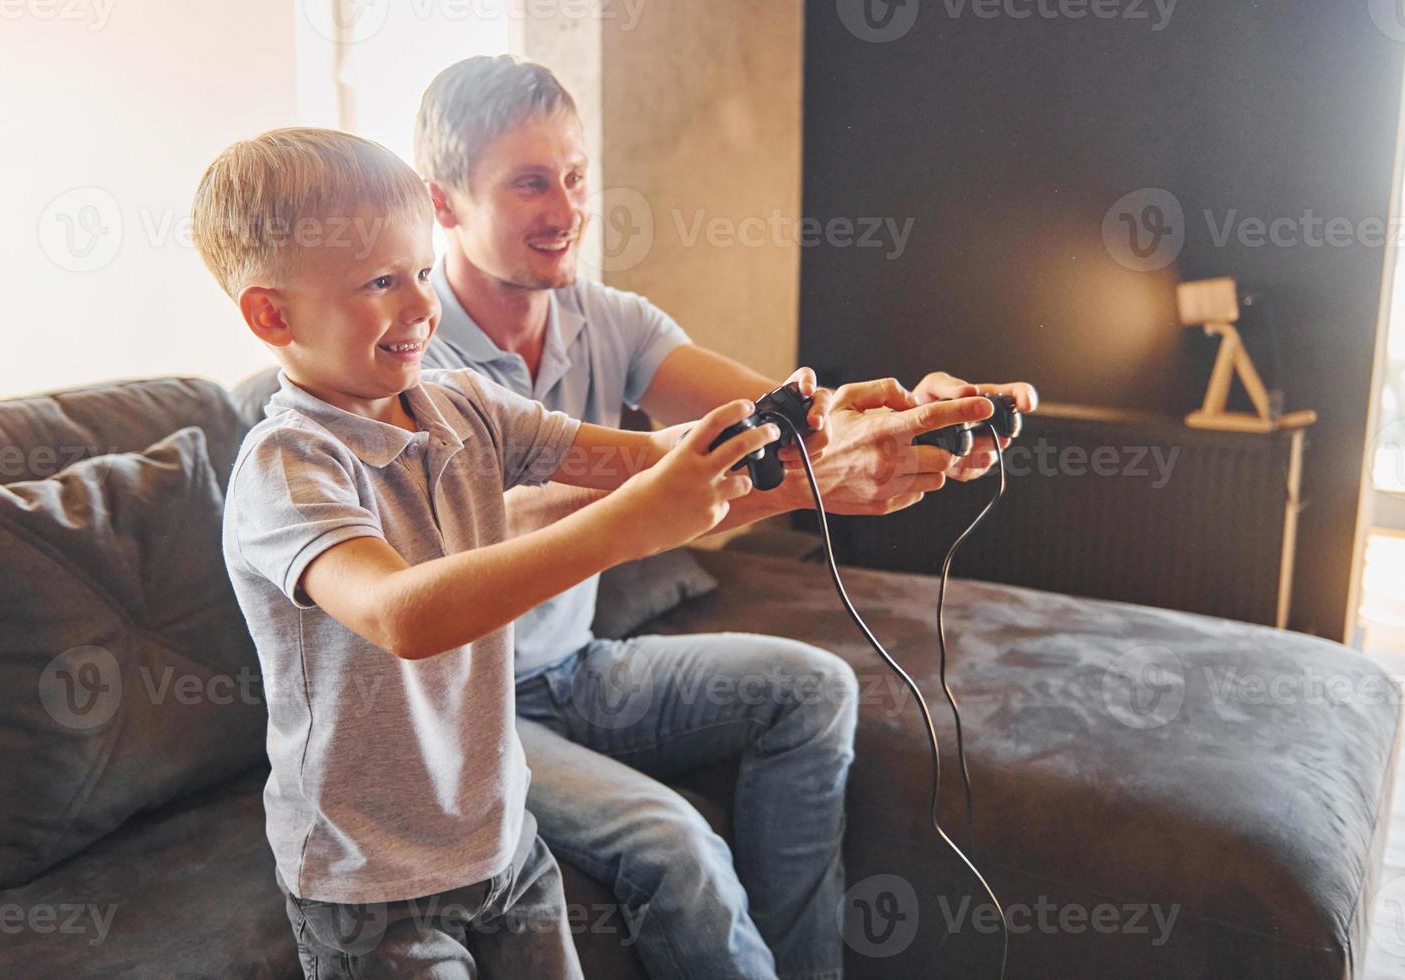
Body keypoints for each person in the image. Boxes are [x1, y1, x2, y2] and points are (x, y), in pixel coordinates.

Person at [414, 55, 1037, 980]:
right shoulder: (405, 357)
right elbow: (490, 525)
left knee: (814, 688)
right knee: (675, 844)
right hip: (465, 709)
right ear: (447, 203)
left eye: (577, 175)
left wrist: (908, 411)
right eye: (531, 183)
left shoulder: (606, 320)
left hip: (575, 667)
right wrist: (673, 486)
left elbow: (780, 414)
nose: (567, 207)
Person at [192, 126, 825, 977]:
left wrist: (778, 432)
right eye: (381, 282)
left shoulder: (462, 404)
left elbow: (634, 461)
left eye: (421, 272)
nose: (422, 307)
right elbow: (400, 613)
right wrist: (629, 524)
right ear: (273, 314)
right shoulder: (287, 466)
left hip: (501, 841)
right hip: (368, 888)